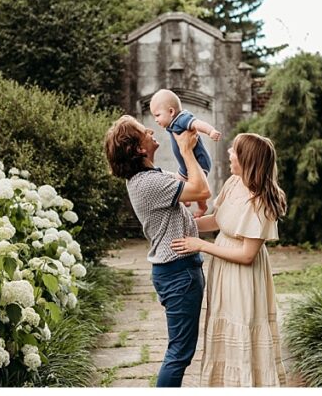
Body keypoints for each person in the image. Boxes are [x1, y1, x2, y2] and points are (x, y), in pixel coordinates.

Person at [172, 133, 288, 387]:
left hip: (243, 276)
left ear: (247, 159)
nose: (229, 154)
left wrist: (200, 245)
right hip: (223, 269)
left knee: (242, 325)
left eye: (234, 151)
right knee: (223, 327)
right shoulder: (233, 183)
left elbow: (247, 255)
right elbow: (217, 220)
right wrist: (182, 224)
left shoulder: (261, 202)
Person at [103, 115, 211, 387]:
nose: (151, 130)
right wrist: (186, 149)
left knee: (180, 351)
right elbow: (201, 190)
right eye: (143, 131)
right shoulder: (148, 183)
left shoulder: (151, 176)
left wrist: (189, 145)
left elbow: (190, 180)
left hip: (176, 271)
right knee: (179, 353)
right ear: (139, 149)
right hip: (179, 273)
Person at [149, 89, 222, 217]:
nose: (155, 119)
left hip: (199, 161)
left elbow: (197, 123)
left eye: (157, 115)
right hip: (184, 167)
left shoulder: (182, 118)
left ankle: (202, 206)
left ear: (171, 112)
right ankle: (187, 197)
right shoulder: (171, 123)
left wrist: (210, 131)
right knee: (177, 181)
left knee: (199, 186)